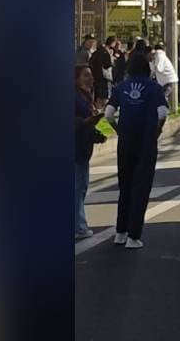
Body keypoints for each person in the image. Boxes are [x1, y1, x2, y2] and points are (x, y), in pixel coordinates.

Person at [105, 54, 168, 249]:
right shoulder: (153, 87)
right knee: (141, 187)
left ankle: (120, 232)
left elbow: (108, 114)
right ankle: (134, 236)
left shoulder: (120, 87)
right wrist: (157, 130)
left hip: (125, 141)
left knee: (125, 186)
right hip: (146, 141)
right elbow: (163, 113)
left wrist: (118, 130)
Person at [75, 66, 107, 239]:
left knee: (81, 187)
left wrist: (96, 133)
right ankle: (79, 227)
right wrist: (87, 121)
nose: (90, 78)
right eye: (85, 75)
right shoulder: (74, 97)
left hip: (83, 146)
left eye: (91, 75)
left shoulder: (85, 96)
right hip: (76, 148)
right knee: (78, 188)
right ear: (76, 79)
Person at [150, 43, 178, 109]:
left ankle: (165, 111)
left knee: (162, 97)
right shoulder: (160, 56)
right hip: (167, 80)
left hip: (168, 81)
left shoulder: (159, 56)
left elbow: (159, 69)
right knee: (161, 97)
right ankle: (164, 110)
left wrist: (152, 62)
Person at [89, 40, 114, 110]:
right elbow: (108, 65)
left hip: (96, 79)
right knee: (105, 98)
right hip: (105, 79)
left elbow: (90, 65)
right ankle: (104, 112)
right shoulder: (106, 53)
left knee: (98, 97)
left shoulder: (94, 54)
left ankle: (98, 111)